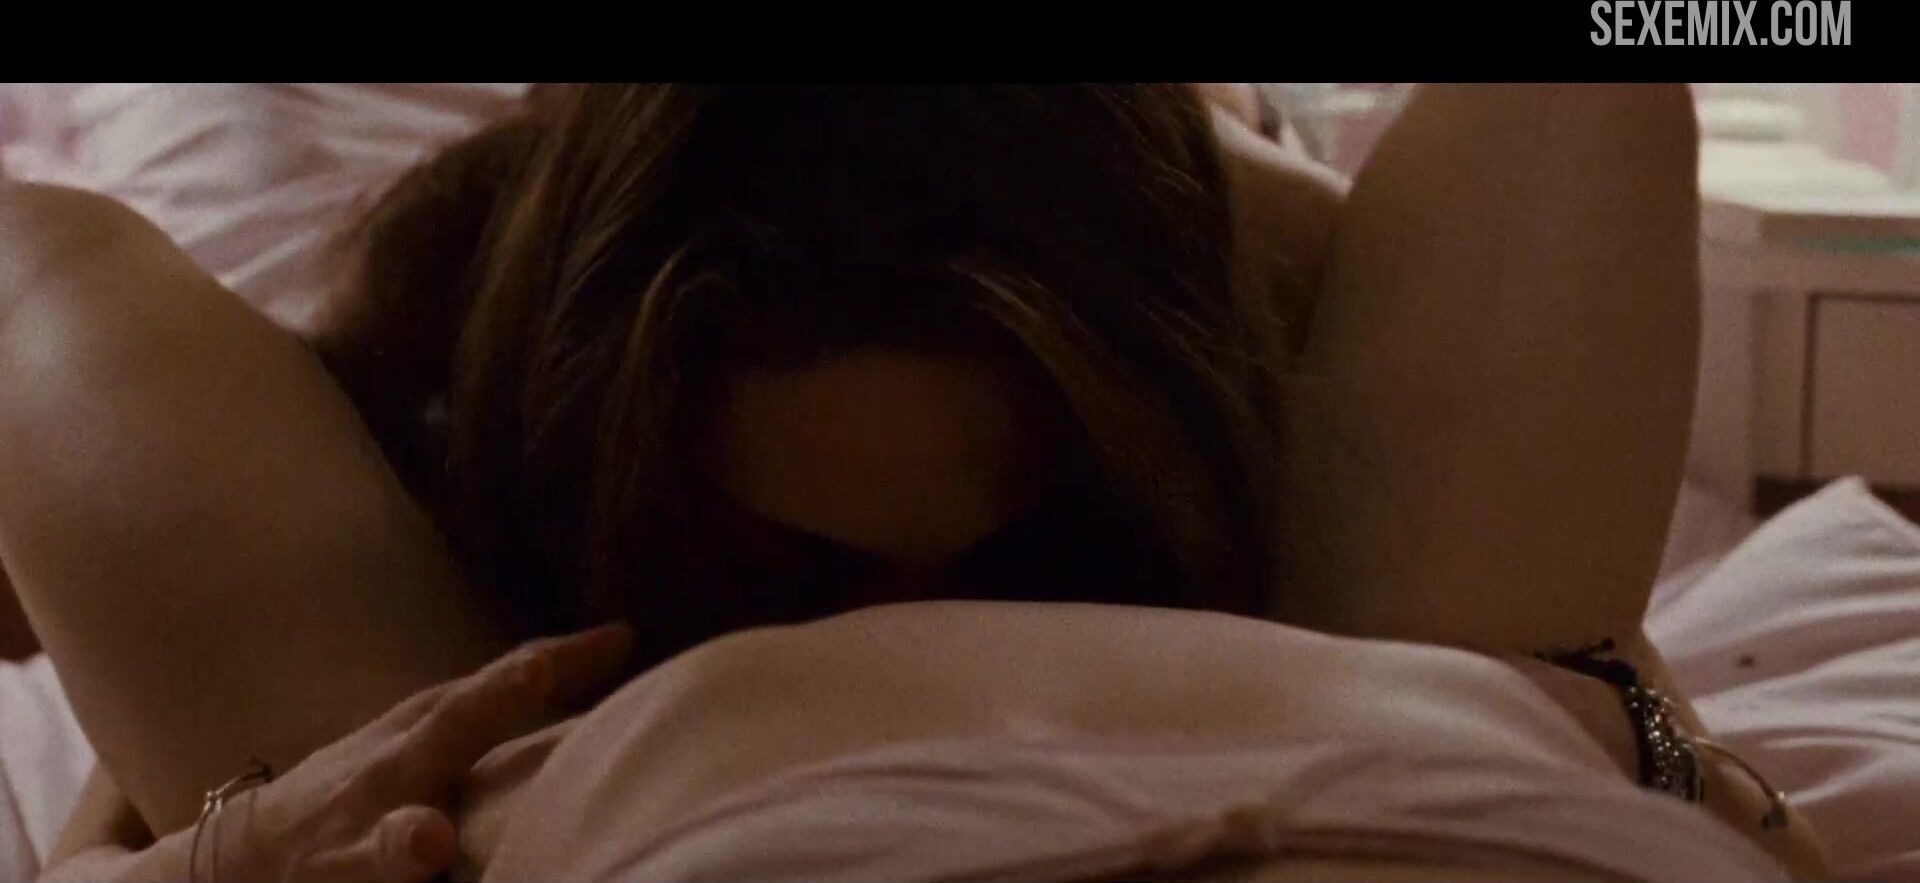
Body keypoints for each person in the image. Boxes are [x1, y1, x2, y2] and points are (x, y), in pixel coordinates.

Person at [0, 84, 1827, 880]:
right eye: (787, 578)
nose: (916, 629)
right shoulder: (409, 434)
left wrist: (1649, 745)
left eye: (1034, 555)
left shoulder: (1283, 394)